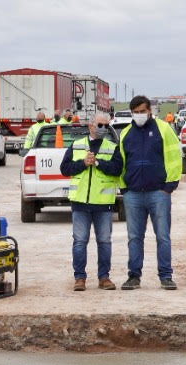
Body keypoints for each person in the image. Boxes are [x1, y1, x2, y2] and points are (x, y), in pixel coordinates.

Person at [117, 94, 183, 290]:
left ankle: (166, 276)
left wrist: (169, 186)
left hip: (158, 193)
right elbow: (121, 162)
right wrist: (125, 188)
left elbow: (174, 156)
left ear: (150, 111)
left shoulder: (163, 129)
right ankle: (134, 276)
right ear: (131, 113)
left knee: (162, 236)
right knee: (134, 237)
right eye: (135, 113)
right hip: (133, 194)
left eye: (142, 111)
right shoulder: (126, 133)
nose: (139, 115)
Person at [60, 112, 123, 291]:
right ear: (90, 126)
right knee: (79, 241)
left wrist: (98, 163)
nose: (103, 128)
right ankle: (79, 278)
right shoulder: (77, 145)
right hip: (80, 203)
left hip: (103, 204)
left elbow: (117, 169)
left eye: (106, 125)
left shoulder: (112, 147)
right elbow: (65, 169)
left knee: (104, 241)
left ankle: (104, 278)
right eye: (100, 125)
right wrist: (83, 163)